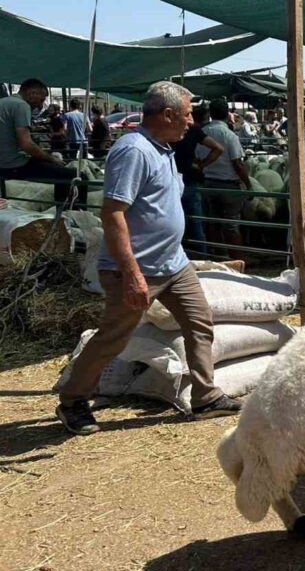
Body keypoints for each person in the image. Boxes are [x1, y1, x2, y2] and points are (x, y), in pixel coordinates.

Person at [55, 81, 241, 435]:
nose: (191, 122)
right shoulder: (134, 151)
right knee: (115, 336)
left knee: (199, 321)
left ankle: (205, 397)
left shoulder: (165, 149)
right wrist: (131, 273)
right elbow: (113, 213)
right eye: (187, 115)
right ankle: (73, 400)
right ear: (168, 114)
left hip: (173, 263)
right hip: (138, 268)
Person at [0, 79, 86, 206]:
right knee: (75, 176)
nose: (41, 104)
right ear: (31, 93)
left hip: (3, 162)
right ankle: (66, 214)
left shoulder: (3, 102)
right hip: (13, 165)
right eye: (41, 99)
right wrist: (51, 158)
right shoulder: (21, 105)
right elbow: (26, 144)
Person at [198, 99, 248, 261]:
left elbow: (197, 158)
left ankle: (217, 258)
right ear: (227, 114)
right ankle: (237, 261)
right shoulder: (229, 135)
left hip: (207, 184)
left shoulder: (202, 133)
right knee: (231, 225)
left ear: (210, 114)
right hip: (228, 186)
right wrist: (247, 183)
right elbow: (237, 163)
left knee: (213, 223)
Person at [172, 103, 224, 254]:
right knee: (196, 223)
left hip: (170, 181)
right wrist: (202, 165)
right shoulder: (194, 130)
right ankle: (202, 256)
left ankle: (177, 255)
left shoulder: (168, 130)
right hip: (189, 181)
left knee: (173, 222)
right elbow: (218, 148)